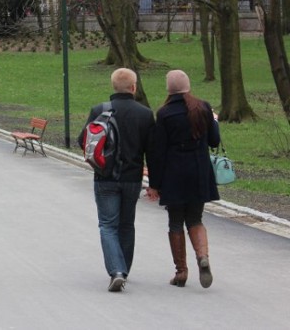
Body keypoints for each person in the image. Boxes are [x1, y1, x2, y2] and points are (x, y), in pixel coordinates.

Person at [77, 68, 155, 292]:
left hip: (104, 177)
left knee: (108, 225)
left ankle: (117, 271)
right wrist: (155, 184)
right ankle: (125, 270)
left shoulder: (99, 110)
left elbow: (83, 140)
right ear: (134, 87)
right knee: (127, 224)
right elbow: (152, 152)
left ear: (113, 86)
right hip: (132, 178)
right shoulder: (145, 114)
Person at [145, 70, 220, 289]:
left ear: (168, 88)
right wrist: (213, 121)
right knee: (195, 219)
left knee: (176, 221)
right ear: (188, 86)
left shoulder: (165, 113)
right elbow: (214, 141)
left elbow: (158, 152)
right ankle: (203, 257)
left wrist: (155, 184)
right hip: (199, 171)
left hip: (174, 174)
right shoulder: (203, 108)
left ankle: (181, 272)